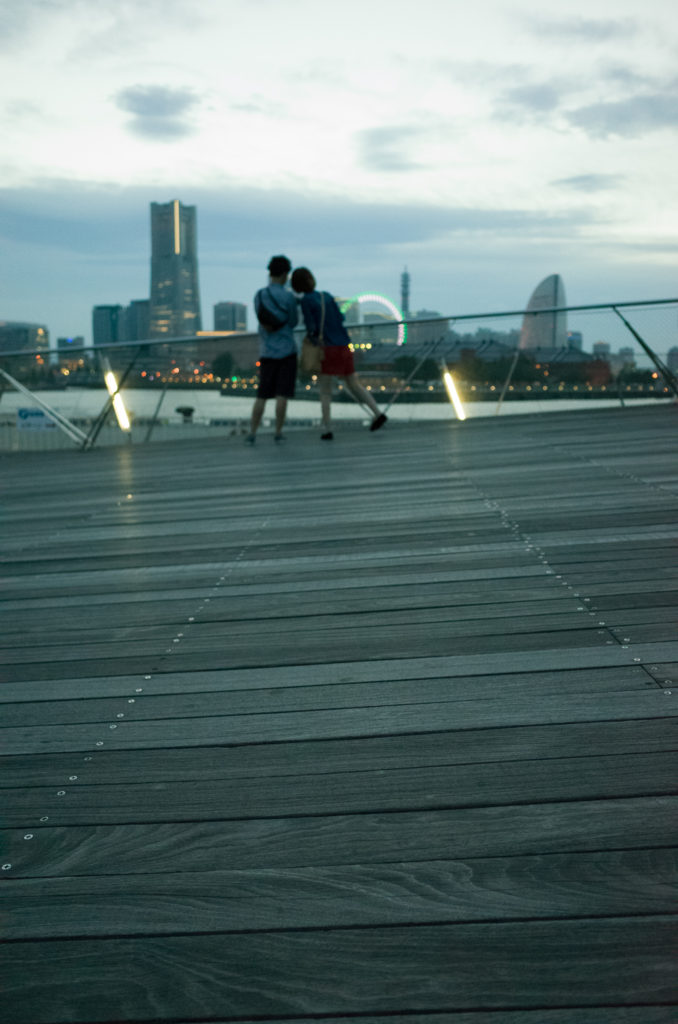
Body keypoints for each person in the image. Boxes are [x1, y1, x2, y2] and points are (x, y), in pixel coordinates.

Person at [291, 266, 387, 439]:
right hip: (344, 345)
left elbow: (311, 327)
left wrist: (312, 340)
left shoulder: (306, 301)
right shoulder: (326, 296)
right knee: (353, 383)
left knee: (325, 390)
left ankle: (327, 429)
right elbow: (341, 318)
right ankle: (377, 413)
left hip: (327, 348)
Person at [247, 254, 299, 443]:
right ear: (285, 274)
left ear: (270, 273)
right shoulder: (288, 297)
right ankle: (278, 432)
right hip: (287, 351)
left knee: (262, 395)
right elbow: (293, 322)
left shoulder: (260, 295)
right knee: (282, 395)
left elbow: (260, 318)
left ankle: (252, 432)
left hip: (266, 351)